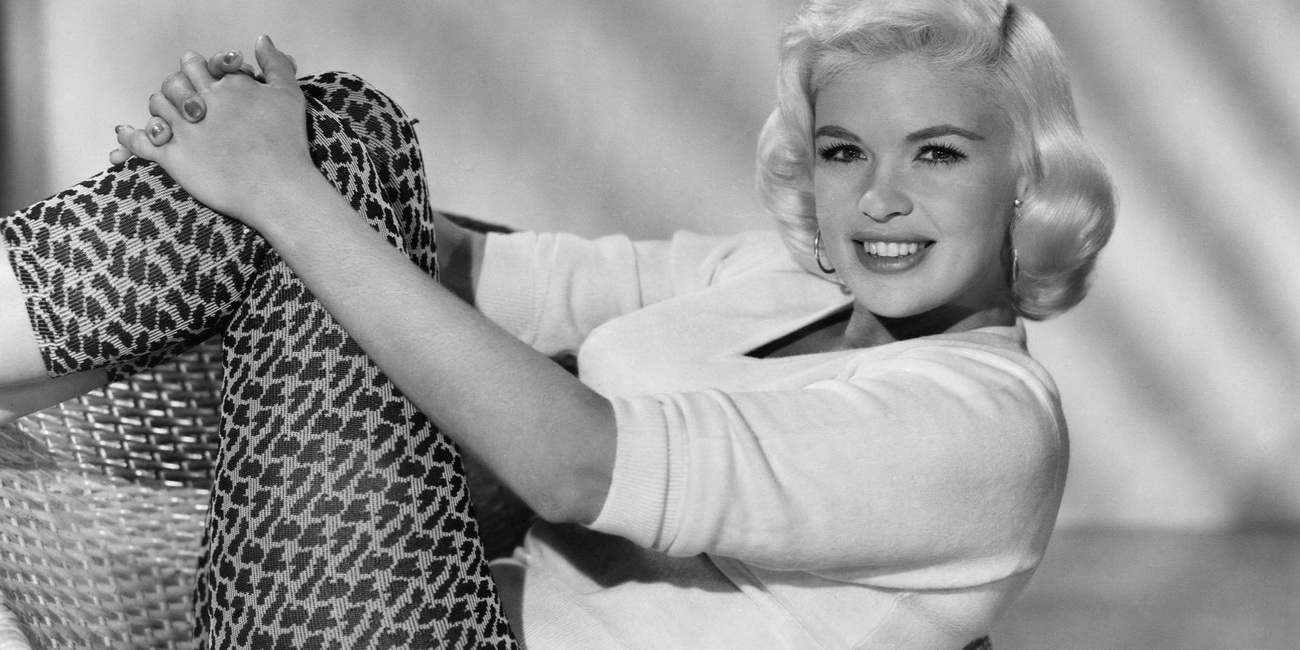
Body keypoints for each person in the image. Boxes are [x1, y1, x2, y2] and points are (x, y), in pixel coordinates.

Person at [3, 0, 1115, 648]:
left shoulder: (989, 426)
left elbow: (579, 468)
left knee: (313, 174)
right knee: (344, 133)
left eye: (937, 153)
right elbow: (495, 270)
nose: (879, 198)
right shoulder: (788, 280)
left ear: (1027, 176)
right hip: (416, 599)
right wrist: (270, 150)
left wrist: (281, 189)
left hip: (407, 622)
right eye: (844, 151)